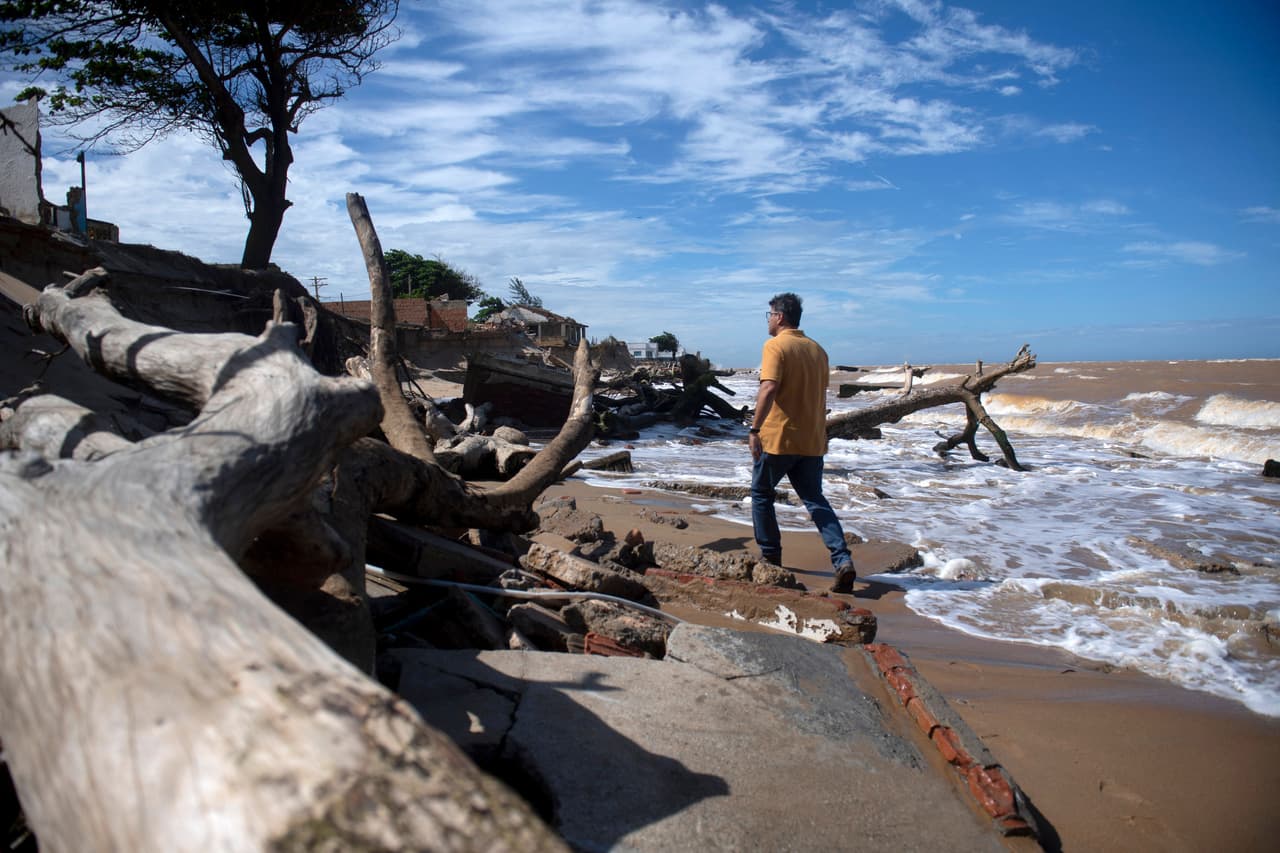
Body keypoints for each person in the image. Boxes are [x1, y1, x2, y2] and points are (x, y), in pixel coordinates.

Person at [747, 293, 856, 593]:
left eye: (768, 314)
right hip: (811, 440)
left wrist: (754, 429)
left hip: (779, 438)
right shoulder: (818, 350)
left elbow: (769, 388)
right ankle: (841, 559)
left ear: (780, 316)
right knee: (815, 499)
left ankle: (770, 556)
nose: (767, 319)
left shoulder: (775, 346)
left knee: (761, 494)